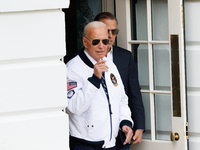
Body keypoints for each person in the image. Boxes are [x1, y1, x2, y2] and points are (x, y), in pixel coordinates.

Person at [66, 21, 134, 150]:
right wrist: (94, 79)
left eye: (105, 41)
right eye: (96, 42)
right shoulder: (73, 68)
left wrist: (125, 121)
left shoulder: (110, 65)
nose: (101, 46)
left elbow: (122, 100)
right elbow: (74, 107)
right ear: (85, 42)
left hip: (110, 143)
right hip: (85, 144)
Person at [94, 12, 145, 150]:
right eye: (107, 31)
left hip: (122, 131)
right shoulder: (81, 59)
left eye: (114, 31)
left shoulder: (125, 56)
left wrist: (139, 126)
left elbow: (134, 92)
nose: (110, 36)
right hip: (95, 134)